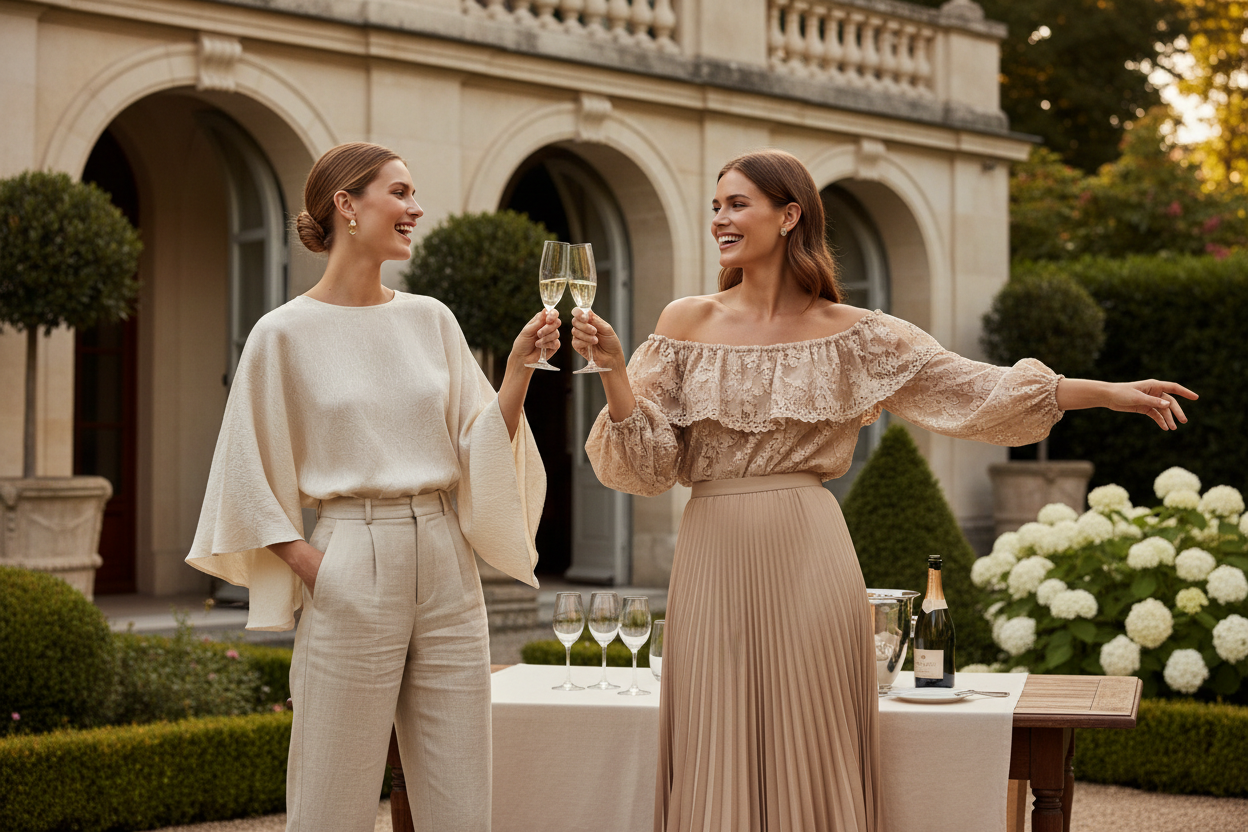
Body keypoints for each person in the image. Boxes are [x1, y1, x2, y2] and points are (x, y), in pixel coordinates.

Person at [571, 148, 1196, 832]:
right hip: (710, 554)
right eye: (716, 206)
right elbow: (648, 465)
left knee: (812, 736)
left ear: (789, 216)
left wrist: (1105, 393)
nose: (720, 218)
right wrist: (614, 371)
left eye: (737, 204)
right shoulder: (683, 322)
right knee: (711, 733)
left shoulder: (855, 335)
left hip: (810, 553)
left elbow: (974, 388)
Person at [186, 142, 558, 832]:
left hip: (446, 563)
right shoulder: (282, 334)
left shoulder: (431, 319)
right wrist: (312, 566)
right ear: (346, 205)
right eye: (401, 192)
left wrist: (516, 372)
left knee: (461, 794)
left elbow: (478, 445)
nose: (416, 208)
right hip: (351, 556)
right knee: (331, 795)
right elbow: (244, 470)